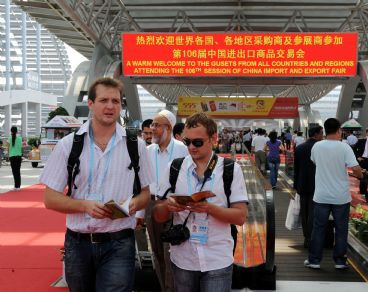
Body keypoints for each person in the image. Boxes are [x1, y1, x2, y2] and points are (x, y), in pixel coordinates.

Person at [39, 77, 152, 292]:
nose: (110, 106)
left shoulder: (135, 146)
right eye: (103, 100)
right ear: (91, 104)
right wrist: (85, 206)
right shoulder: (68, 145)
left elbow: (146, 194)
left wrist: (132, 205)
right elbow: (50, 198)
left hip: (119, 242)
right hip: (78, 243)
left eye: (116, 101)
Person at [153, 112, 248, 292]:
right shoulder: (174, 168)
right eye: (187, 142)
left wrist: (208, 208)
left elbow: (240, 217)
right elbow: (158, 215)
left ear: (213, 139)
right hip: (183, 259)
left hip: (217, 259)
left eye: (197, 142)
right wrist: (168, 206)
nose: (191, 147)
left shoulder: (230, 170)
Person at [137, 110, 188, 292]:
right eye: (152, 126)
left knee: (171, 254)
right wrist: (140, 213)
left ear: (168, 128)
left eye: (157, 126)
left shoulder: (183, 150)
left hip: (174, 206)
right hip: (151, 204)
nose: (153, 129)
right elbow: (142, 184)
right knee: (157, 253)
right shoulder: (147, 151)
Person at [305, 118, 363, 270]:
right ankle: (339, 261)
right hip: (341, 197)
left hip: (321, 195)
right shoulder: (344, 147)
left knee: (318, 228)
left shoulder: (317, 146)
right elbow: (356, 168)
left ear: (324, 130)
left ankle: (314, 260)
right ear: (338, 130)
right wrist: (361, 175)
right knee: (341, 229)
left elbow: (314, 161)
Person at [293, 126, 324, 248]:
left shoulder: (300, 148)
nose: (322, 135)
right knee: (314, 211)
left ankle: (306, 236)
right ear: (316, 134)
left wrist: (296, 185)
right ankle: (312, 237)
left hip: (302, 184)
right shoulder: (321, 148)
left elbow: (296, 168)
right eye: (321, 133)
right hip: (318, 184)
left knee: (305, 211)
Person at [8, 126, 22, 191]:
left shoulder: (9, 139)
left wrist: (8, 155)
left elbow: (8, 148)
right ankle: (18, 186)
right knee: (18, 171)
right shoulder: (20, 138)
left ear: (11, 131)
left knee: (14, 172)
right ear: (17, 131)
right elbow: (21, 147)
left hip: (12, 156)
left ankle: (16, 186)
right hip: (19, 156)